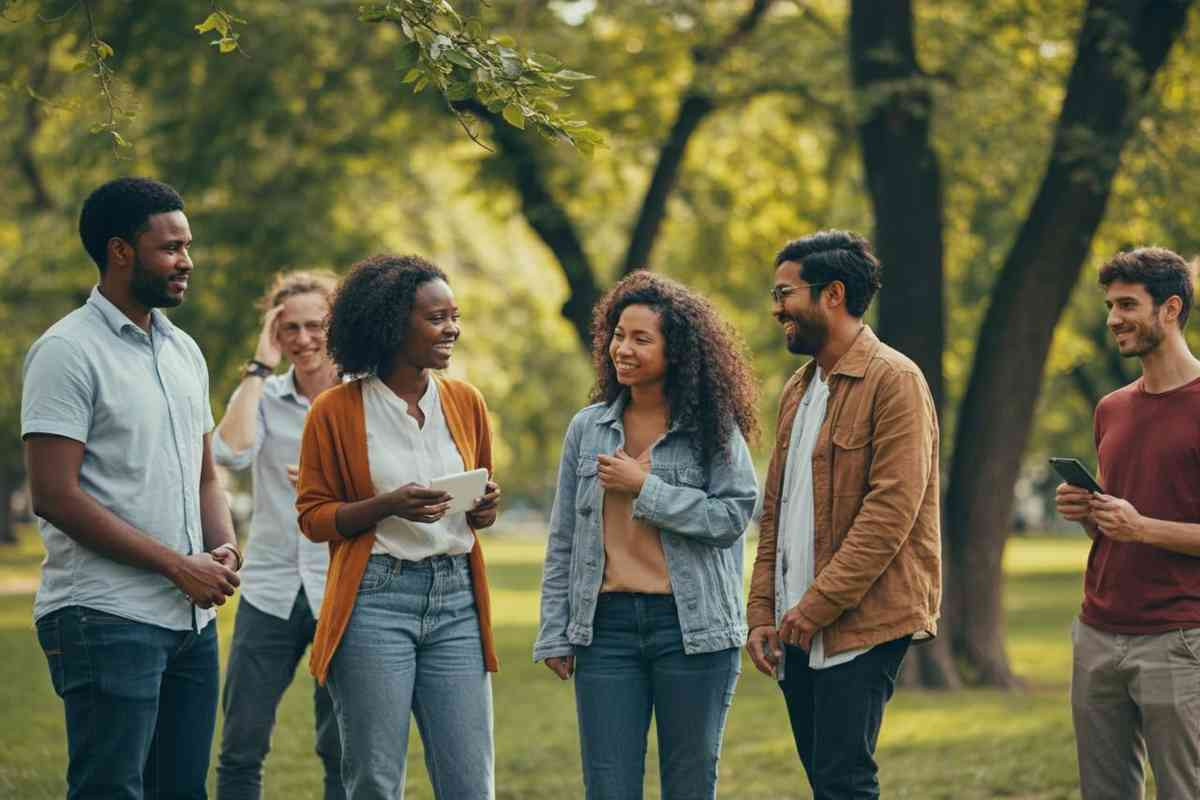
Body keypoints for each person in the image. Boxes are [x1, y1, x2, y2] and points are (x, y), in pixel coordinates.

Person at [22, 177, 241, 799]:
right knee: (111, 790)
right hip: (105, 617)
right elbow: (55, 495)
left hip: (191, 622)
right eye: (170, 248)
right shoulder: (66, 351)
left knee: (182, 791)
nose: (187, 261)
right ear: (120, 251)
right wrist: (178, 565)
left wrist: (224, 546)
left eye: (187, 245)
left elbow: (204, 474)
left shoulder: (184, 351)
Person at [534, 271, 760, 800]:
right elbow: (564, 537)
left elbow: (732, 518)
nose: (624, 349)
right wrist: (555, 631)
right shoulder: (588, 428)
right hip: (606, 630)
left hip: (692, 629)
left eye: (641, 339)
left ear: (675, 351)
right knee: (608, 786)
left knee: (689, 784)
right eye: (618, 335)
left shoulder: (711, 428)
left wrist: (646, 489)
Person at [295, 254, 502, 799]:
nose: (451, 329)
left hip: (456, 600)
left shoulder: (466, 402)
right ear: (391, 325)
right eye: (436, 318)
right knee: (375, 780)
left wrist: (484, 508)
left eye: (454, 316)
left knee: (470, 783)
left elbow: (480, 500)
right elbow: (313, 518)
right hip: (374, 601)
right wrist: (385, 505)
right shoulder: (335, 410)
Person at [745, 230, 941, 800]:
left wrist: (817, 605)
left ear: (832, 294)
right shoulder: (800, 389)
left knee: (844, 779)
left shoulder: (895, 380)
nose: (777, 308)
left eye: (785, 293)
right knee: (824, 777)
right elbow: (776, 511)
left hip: (860, 621)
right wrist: (762, 612)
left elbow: (890, 513)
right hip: (795, 622)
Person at [1056, 247, 1200, 800]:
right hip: (1098, 632)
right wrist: (1089, 513)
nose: (1113, 318)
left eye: (1127, 305)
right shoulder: (1111, 408)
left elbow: (1140, 524)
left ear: (1170, 308)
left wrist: (1141, 527)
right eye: (1110, 306)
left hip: (1179, 639)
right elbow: (1118, 523)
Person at [215, 271, 344, 799]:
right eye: (289, 328)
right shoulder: (263, 395)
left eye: (316, 325)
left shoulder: (367, 394)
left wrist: (330, 481)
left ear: (337, 326)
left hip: (345, 588)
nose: (303, 339)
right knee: (240, 746)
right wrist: (258, 365)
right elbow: (230, 452)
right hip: (270, 590)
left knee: (344, 749)